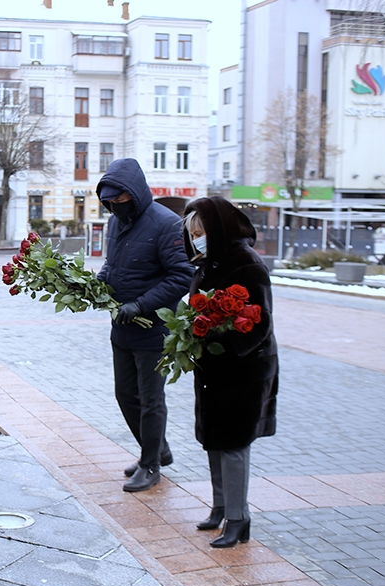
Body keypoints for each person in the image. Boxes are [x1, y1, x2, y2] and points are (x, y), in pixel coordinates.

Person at [182, 196, 279, 548]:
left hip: (243, 370)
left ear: (217, 228)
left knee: (234, 444)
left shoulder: (246, 264)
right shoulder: (208, 264)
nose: (196, 240)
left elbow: (259, 323)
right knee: (214, 439)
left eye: (200, 232)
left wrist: (224, 340)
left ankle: (239, 519)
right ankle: (220, 507)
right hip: (214, 367)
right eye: (191, 234)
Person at [96, 158, 194, 492]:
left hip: (153, 329)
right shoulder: (116, 222)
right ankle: (157, 450)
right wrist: (97, 285)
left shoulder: (166, 224)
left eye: (118, 199)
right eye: (107, 201)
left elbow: (183, 275)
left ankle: (151, 464)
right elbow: (113, 265)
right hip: (121, 326)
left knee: (151, 399)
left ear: (134, 193)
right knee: (125, 393)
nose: (112, 206)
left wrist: (142, 304)